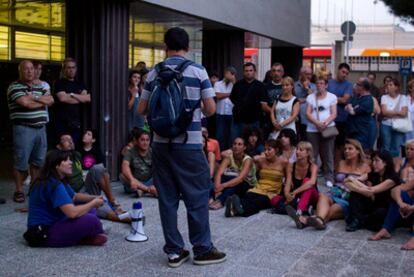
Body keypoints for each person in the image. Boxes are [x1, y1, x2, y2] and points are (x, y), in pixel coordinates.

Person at [137, 27, 226, 267]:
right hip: (189, 144)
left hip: (160, 145)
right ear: (187, 47)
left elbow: (141, 109)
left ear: (166, 46)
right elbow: (210, 109)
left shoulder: (154, 73)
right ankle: (202, 249)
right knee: (196, 197)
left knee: (167, 199)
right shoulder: (198, 71)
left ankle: (175, 251)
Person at [24, 149, 107, 247]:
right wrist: (93, 203)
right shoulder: (54, 184)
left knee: (91, 211)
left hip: (55, 222)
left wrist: (95, 197)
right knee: (92, 221)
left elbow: (75, 196)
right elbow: (72, 213)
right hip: (43, 232)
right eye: (66, 160)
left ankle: (81, 236)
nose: (71, 163)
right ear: (56, 166)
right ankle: (81, 237)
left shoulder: (55, 179)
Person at [7, 60, 54, 203]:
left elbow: (51, 100)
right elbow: (25, 104)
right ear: (20, 71)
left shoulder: (40, 86)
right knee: (21, 162)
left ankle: (33, 189)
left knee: (38, 162)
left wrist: (34, 97)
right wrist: (40, 101)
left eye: (31, 69)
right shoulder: (14, 86)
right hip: (23, 128)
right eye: (26, 69)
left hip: (41, 128)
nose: (29, 71)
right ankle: (19, 190)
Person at [303, 139, 370, 230]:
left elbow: (369, 187)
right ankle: (319, 220)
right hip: (334, 192)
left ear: (358, 151)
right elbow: (335, 180)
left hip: (348, 197)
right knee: (323, 196)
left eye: (350, 149)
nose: (346, 151)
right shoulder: (341, 163)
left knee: (332, 210)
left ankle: (309, 221)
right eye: (345, 149)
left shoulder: (366, 167)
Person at [57, 133, 125, 222]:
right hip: (75, 196)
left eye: (71, 139)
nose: (70, 141)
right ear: (59, 146)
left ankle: (112, 202)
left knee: (99, 168)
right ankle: (126, 218)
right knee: (100, 207)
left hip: (84, 188)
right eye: (66, 140)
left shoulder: (77, 155)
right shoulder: (59, 163)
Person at [368, 140, 414, 250]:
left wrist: (412, 207)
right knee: (398, 193)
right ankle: (386, 229)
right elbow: (396, 189)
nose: (408, 151)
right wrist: (401, 203)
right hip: (407, 207)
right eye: (407, 149)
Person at [224, 140, 287, 217]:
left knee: (258, 202)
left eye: (269, 149)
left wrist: (286, 193)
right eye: (265, 150)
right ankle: (235, 209)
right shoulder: (261, 161)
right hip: (258, 188)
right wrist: (259, 157)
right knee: (248, 196)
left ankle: (234, 209)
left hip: (271, 193)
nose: (266, 152)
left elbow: (288, 179)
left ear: (276, 150)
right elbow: (251, 167)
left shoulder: (284, 162)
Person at [345, 150, 401, 232]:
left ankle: (359, 220)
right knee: (355, 194)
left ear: (385, 163)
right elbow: (348, 181)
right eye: (373, 160)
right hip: (375, 203)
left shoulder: (393, 178)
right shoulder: (374, 174)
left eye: (377, 160)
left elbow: (372, 190)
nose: (373, 163)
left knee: (379, 214)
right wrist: (357, 185)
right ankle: (358, 220)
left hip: (387, 208)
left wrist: (356, 183)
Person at [306, 77, 337, 187]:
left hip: (328, 128)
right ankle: (311, 176)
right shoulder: (311, 97)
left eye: (322, 83)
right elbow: (308, 113)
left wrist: (325, 123)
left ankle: (329, 177)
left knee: (328, 153)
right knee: (312, 154)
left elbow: (334, 113)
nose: (319, 85)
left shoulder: (332, 97)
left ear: (326, 85)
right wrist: (317, 123)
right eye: (318, 83)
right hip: (312, 129)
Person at [280, 142, 319, 228]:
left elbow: (312, 182)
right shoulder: (291, 165)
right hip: (298, 197)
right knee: (276, 200)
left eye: (301, 150)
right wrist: (287, 194)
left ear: (308, 153)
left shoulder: (313, 166)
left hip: (312, 197)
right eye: (297, 149)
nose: (297, 152)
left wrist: (295, 192)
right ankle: (305, 212)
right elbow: (288, 182)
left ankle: (300, 211)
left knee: (307, 181)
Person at [210, 137, 257, 210]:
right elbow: (219, 173)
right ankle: (211, 197)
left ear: (244, 147)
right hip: (233, 179)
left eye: (239, 144)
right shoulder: (229, 157)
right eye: (234, 144)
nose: (236, 146)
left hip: (247, 184)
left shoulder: (248, 160)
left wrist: (223, 186)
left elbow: (241, 178)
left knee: (236, 183)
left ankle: (220, 201)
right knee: (221, 178)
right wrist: (217, 187)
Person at [54, 57, 91, 147]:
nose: (71, 70)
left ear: (76, 69)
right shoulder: (59, 83)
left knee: (75, 150)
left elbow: (87, 98)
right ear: (64, 69)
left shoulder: (80, 83)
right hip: (62, 124)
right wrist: (79, 98)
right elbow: (62, 98)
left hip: (76, 124)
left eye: (73, 67)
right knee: (64, 150)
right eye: (68, 67)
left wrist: (71, 95)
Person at [230, 62, 267, 140]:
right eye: (246, 71)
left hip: (254, 120)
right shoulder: (237, 84)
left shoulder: (261, 86)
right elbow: (232, 98)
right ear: (243, 72)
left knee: (253, 143)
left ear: (254, 72)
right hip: (239, 120)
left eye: (250, 70)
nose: (248, 72)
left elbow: (263, 102)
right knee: (236, 141)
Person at [328, 63, 353, 166]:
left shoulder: (348, 85)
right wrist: (337, 98)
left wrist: (330, 97)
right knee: (328, 145)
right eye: (343, 72)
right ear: (338, 70)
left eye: (346, 73)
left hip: (342, 119)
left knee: (340, 145)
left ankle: (337, 167)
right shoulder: (329, 83)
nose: (344, 75)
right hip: (329, 119)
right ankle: (327, 166)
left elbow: (344, 100)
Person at [380, 78, 408, 171]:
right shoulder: (384, 97)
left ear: (396, 87)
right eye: (388, 84)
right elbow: (384, 112)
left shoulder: (403, 98)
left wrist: (390, 112)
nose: (388, 86)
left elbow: (404, 113)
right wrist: (397, 113)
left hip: (398, 126)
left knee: (396, 148)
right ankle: (386, 168)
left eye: (391, 85)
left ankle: (396, 170)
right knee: (386, 148)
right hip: (386, 125)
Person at [121, 129, 157, 197]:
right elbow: (125, 166)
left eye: (147, 140)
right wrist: (132, 180)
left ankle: (142, 190)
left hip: (150, 181)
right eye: (142, 140)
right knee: (123, 176)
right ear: (137, 141)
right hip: (135, 183)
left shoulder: (153, 151)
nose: (145, 143)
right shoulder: (130, 151)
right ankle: (148, 190)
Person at [345, 78, 374, 150]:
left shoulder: (368, 100)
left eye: (358, 84)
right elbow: (346, 107)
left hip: (361, 133)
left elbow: (352, 112)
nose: (355, 86)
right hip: (351, 131)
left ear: (363, 87)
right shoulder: (356, 97)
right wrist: (351, 108)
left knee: (361, 153)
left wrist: (351, 108)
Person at [215, 66, 237, 151]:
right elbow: (218, 95)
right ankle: (219, 153)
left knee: (231, 135)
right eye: (226, 73)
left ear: (233, 75)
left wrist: (234, 82)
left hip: (231, 113)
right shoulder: (218, 84)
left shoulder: (235, 85)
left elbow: (237, 95)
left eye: (229, 74)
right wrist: (230, 94)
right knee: (220, 135)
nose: (227, 76)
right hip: (220, 113)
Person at [263, 63, 284, 137]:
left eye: (279, 71)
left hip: (285, 120)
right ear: (271, 73)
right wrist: (275, 113)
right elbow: (264, 106)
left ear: (282, 73)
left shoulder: (287, 85)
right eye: (274, 71)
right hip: (269, 121)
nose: (276, 73)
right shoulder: (265, 86)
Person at [295, 67, 316, 141]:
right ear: (301, 74)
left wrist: (307, 88)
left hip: (309, 119)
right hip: (296, 118)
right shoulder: (294, 85)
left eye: (310, 74)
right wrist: (299, 100)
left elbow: (314, 99)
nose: (309, 76)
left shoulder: (314, 86)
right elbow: (293, 100)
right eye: (307, 74)